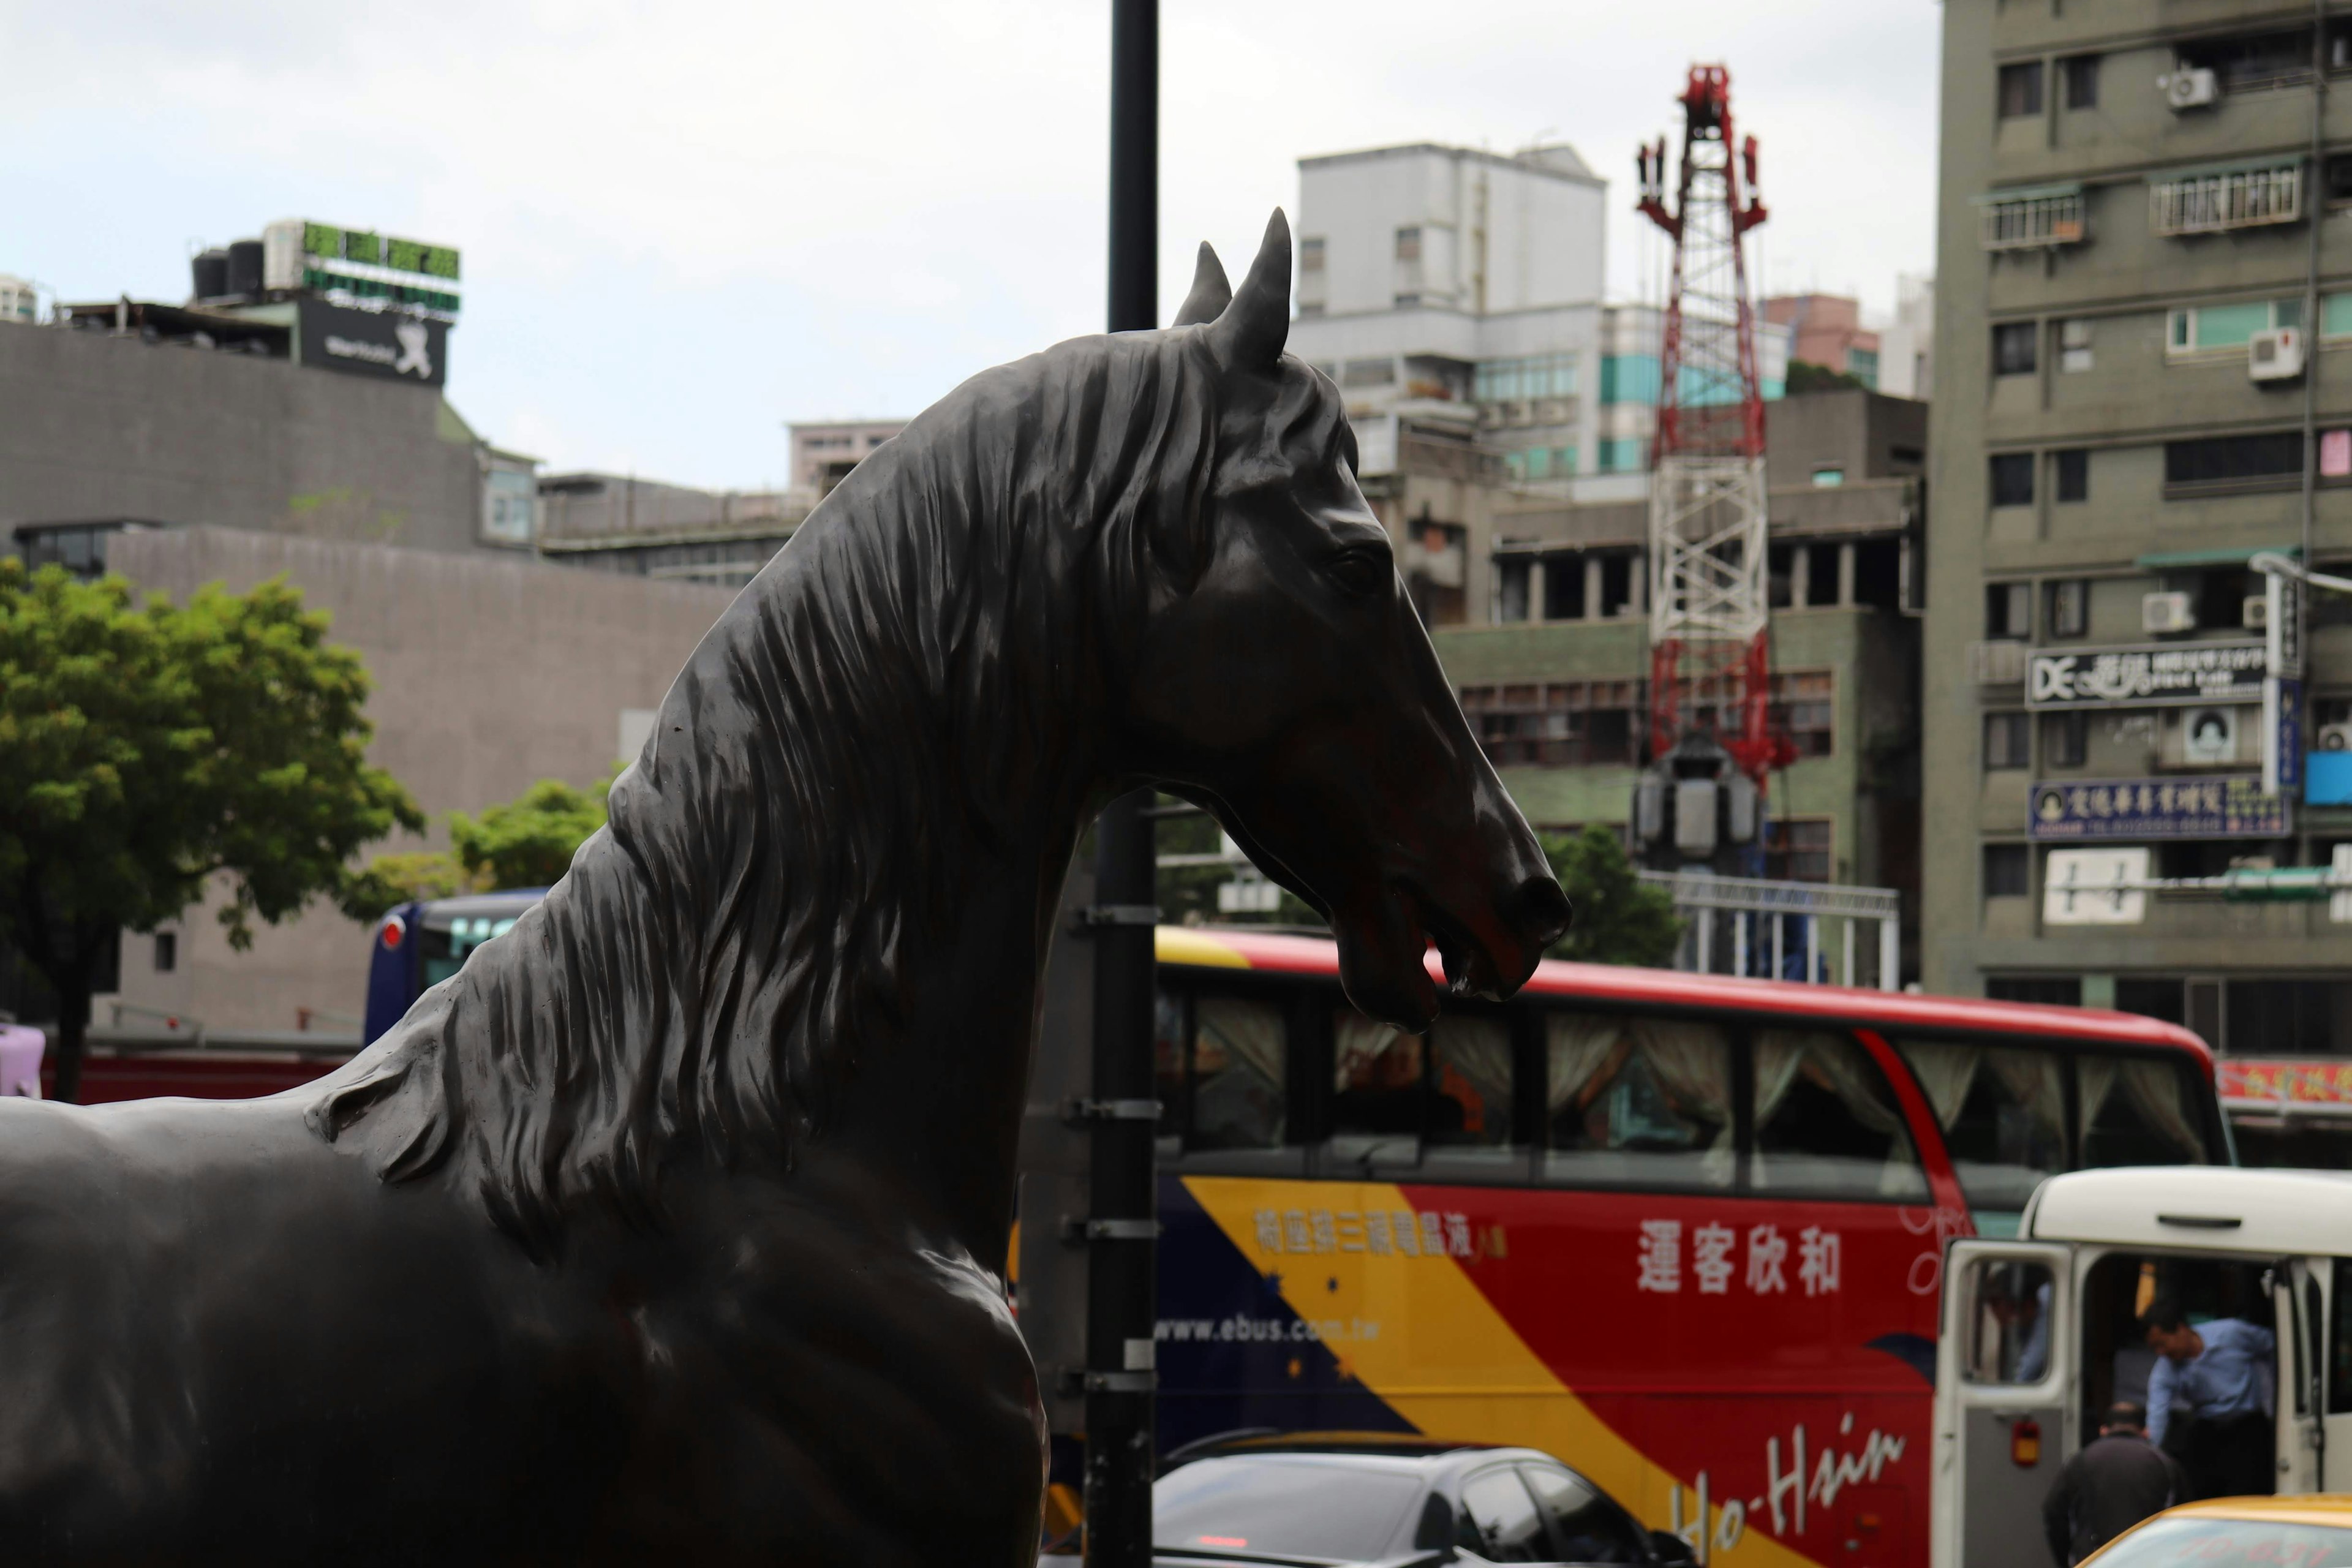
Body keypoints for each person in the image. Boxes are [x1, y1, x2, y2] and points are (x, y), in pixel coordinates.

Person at [2140, 1298, 2276, 1499]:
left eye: (2162, 1344)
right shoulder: (2165, 1370)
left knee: (2248, 1493)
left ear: (2181, 1329)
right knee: (2198, 1490)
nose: (2161, 1352)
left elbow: (2275, 1346)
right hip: (2208, 1429)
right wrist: (2150, 1455)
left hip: (2248, 1426)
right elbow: (2158, 1413)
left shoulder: (2232, 1333)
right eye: (2154, 1348)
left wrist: (2277, 1395)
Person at [2041, 1402, 2189, 1567]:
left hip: (2094, 1559)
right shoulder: (2164, 1464)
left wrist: (2068, 1559)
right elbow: (2184, 1520)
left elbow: (2053, 1512)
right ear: (2146, 1431)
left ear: (2103, 1430)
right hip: (2147, 1560)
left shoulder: (2080, 1460)